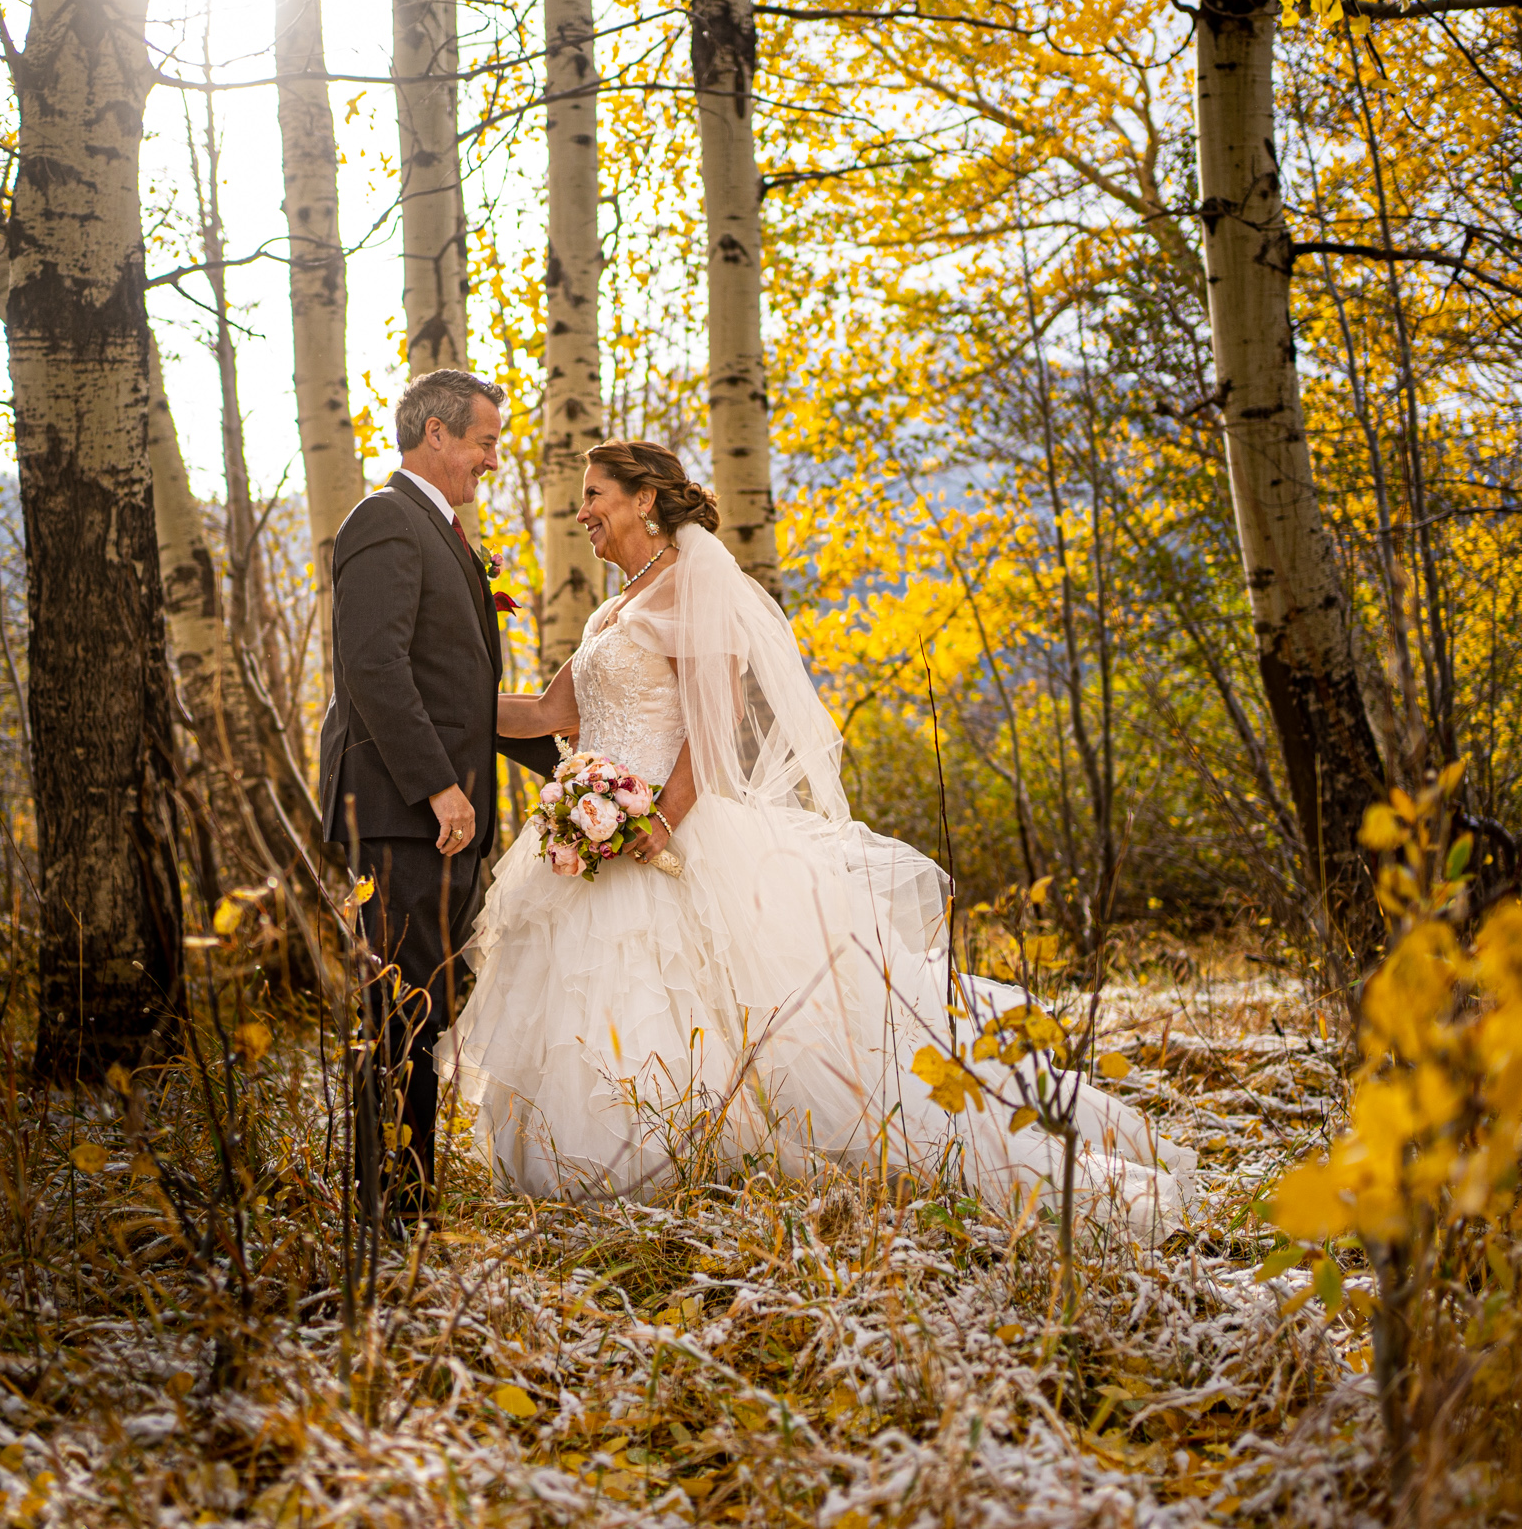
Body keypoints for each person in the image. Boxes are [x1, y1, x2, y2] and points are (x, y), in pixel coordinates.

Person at [442, 440, 1196, 1242]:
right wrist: (432, 692)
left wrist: (662, 813)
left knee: (714, 1007)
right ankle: (586, 1171)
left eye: (595, 494)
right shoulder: (611, 609)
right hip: (598, 841)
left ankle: (679, 1160)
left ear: (645, 499)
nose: (582, 510)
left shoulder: (693, 588)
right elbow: (542, 716)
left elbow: (716, 716)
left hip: (674, 833)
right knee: (595, 1001)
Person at [315, 370, 556, 1236]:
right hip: (395, 812)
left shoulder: (443, 533)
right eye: (485, 442)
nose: (492, 460)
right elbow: (372, 668)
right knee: (397, 1010)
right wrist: (439, 786)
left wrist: (574, 763)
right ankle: (386, 1211)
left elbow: (460, 695)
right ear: (435, 436)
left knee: (424, 1005)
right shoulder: (385, 521)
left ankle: (409, 1196)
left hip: (437, 819)